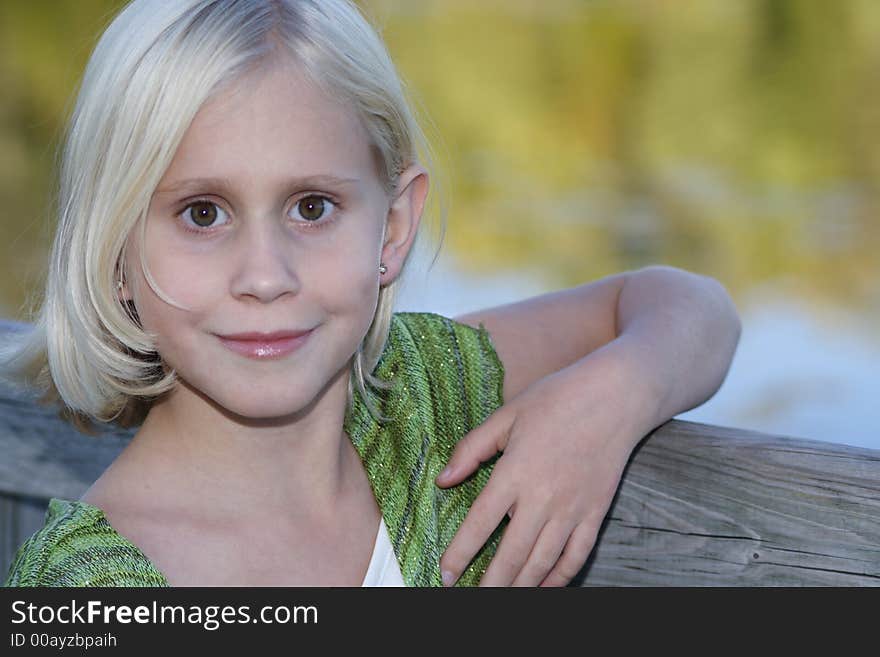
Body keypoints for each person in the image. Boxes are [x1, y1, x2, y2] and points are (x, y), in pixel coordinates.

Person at [1, 0, 741, 587]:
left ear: (391, 230)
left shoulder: (423, 397)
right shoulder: (83, 588)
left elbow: (689, 307)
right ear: (116, 254)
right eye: (203, 213)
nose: (266, 276)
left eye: (312, 207)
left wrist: (605, 403)